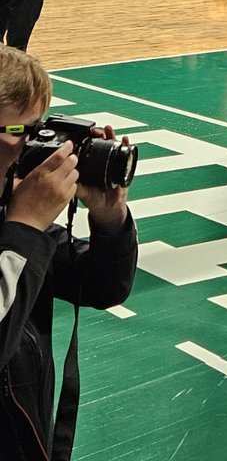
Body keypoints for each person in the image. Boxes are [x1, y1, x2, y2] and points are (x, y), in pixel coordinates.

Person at [0, 45, 138, 461]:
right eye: (20, 132)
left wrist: (109, 217)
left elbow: (102, 286)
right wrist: (25, 228)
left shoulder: (10, 211)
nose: (38, 147)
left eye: (42, 128)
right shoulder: (19, 223)